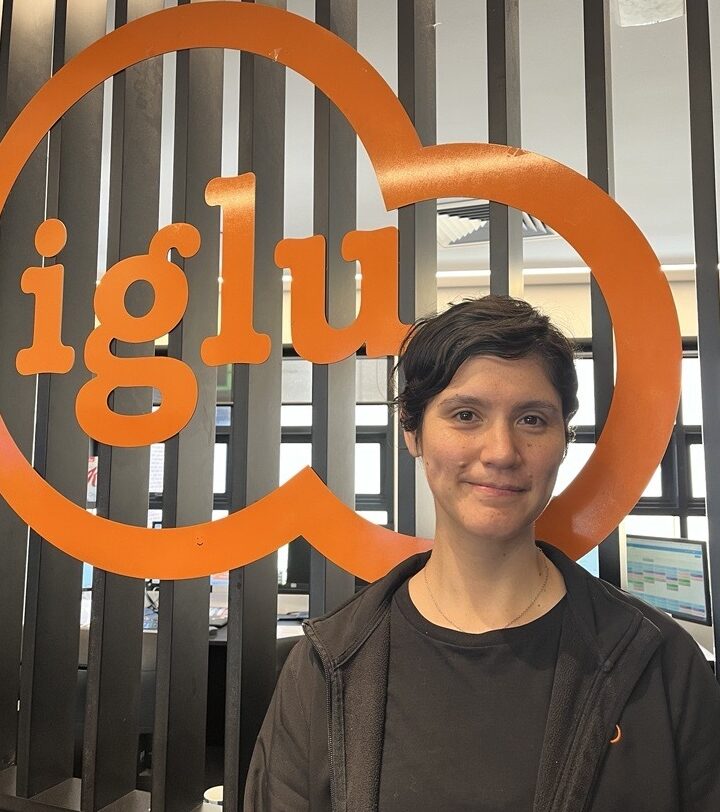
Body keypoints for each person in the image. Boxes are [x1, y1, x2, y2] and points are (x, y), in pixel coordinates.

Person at [244, 295, 720, 811]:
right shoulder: (327, 667)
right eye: (466, 415)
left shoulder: (659, 663)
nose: (501, 452)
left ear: (564, 441)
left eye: (532, 420)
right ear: (412, 432)